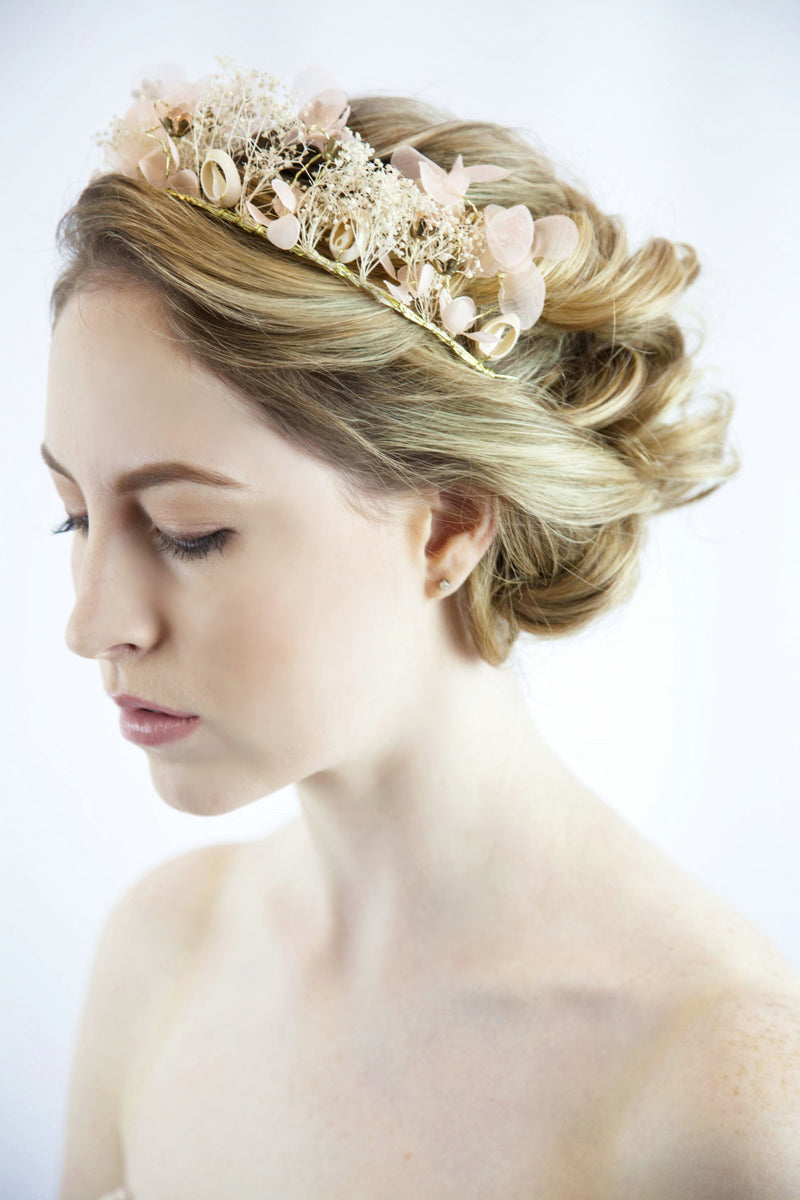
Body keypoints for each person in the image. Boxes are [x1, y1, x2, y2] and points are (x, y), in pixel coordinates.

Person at [46, 59, 800, 1200]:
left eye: (188, 530)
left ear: (446, 524)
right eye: (73, 515)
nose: (91, 621)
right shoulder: (158, 957)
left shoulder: (716, 1095)